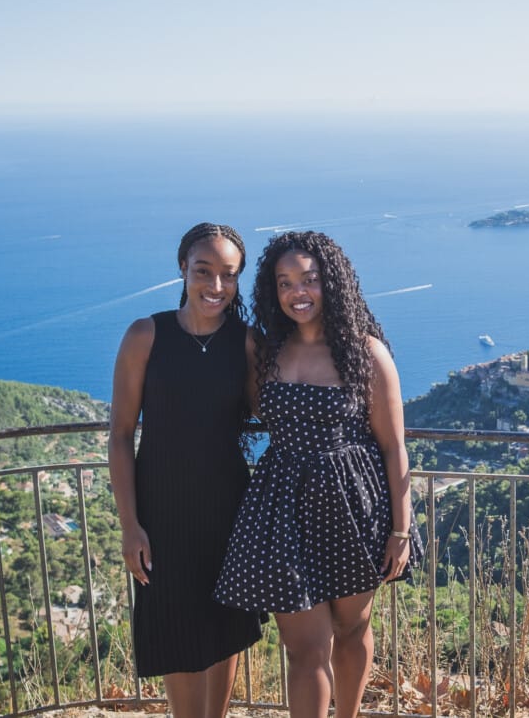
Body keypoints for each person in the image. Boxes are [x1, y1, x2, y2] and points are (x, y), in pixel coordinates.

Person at [213, 230, 423, 718]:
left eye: (309, 279)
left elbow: (394, 446)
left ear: (332, 283)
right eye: (285, 283)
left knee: (352, 630)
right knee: (304, 647)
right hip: (283, 509)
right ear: (273, 291)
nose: (298, 292)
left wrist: (400, 530)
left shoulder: (366, 353)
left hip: (353, 508)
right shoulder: (266, 352)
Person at [108, 222, 263, 718]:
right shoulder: (145, 336)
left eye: (228, 274)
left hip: (229, 511)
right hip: (162, 513)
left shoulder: (247, 342)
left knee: (226, 627)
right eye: (203, 271)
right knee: (176, 630)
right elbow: (119, 435)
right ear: (182, 269)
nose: (216, 286)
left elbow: (276, 414)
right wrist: (130, 526)